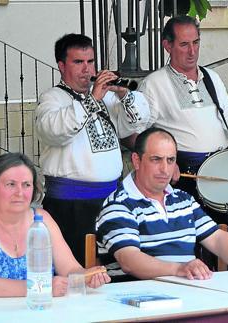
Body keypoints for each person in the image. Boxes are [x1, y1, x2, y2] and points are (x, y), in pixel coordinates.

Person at [35, 33, 150, 265]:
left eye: (90, 62)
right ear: (61, 65)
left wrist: (125, 95)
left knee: (115, 267)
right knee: (79, 269)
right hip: (71, 206)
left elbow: (139, 122)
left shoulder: (107, 99)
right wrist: (92, 100)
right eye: (78, 62)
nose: (87, 69)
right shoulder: (52, 99)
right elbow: (54, 130)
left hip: (111, 200)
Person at [138, 16, 228, 223]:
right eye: (184, 44)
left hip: (223, 168)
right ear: (167, 46)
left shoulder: (211, 77)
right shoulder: (153, 84)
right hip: (187, 174)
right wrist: (165, 163)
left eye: (196, 43)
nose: (192, 51)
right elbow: (138, 135)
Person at [96, 128, 228, 282]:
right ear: (136, 161)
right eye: (156, 159)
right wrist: (179, 269)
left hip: (188, 295)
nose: (165, 169)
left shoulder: (183, 199)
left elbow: (216, 238)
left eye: (170, 160)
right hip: (136, 302)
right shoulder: (118, 205)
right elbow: (130, 261)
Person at [0, 153, 110, 297]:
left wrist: (87, 277)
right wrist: (40, 287)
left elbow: (69, 269)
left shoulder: (42, 219)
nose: (20, 192)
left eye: (26, 185)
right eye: (11, 184)